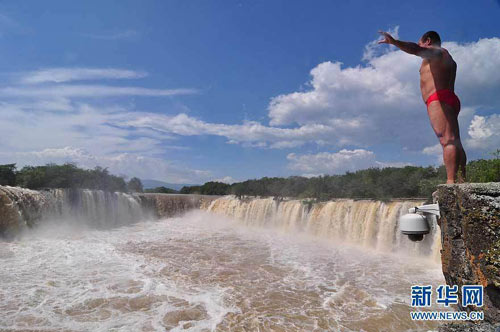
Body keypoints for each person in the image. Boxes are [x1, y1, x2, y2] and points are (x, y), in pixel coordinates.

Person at [378, 30, 466, 184]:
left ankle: (451, 182)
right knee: (455, 140)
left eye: (421, 42)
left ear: (428, 41)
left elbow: (416, 49)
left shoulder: (436, 52)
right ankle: (461, 179)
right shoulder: (449, 59)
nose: (420, 46)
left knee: (448, 141)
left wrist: (395, 42)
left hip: (438, 98)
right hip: (449, 98)